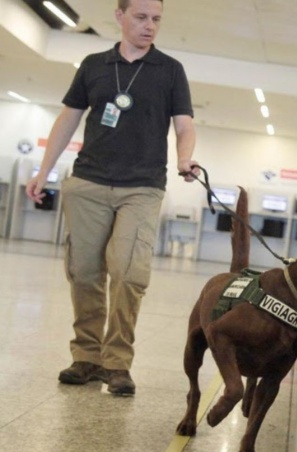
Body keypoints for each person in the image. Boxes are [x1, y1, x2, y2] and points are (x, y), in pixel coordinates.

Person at [25, 0, 199, 396]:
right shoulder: (93, 65)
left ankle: (117, 362)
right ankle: (86, 357)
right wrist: (44, 170)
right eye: (140, 17)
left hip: (142, 186)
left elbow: (184, 125)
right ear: (119, 17)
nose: (149, 26)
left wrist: (185, 158)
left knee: (128, 272)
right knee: (84, 271)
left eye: (156, 19)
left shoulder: (170, 71)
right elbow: (68, 117)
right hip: (87, 183)